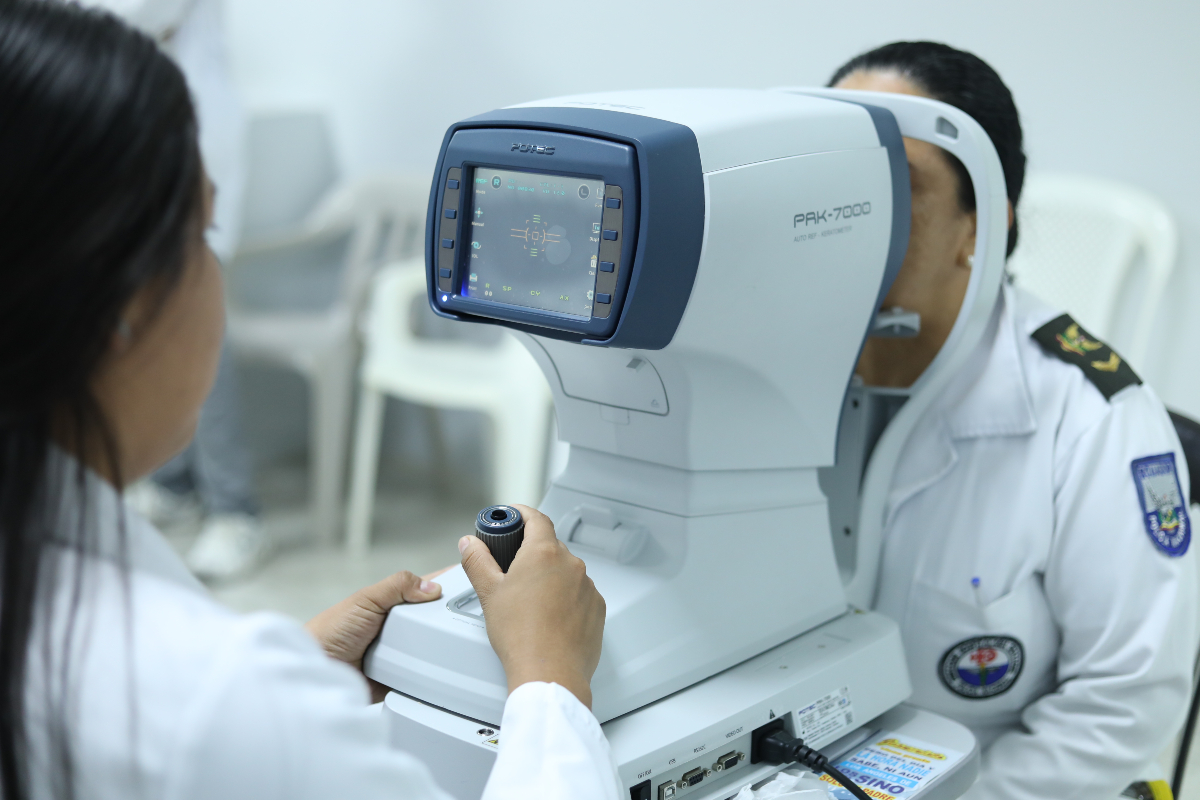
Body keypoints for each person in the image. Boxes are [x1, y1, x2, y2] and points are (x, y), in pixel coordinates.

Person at [0, 3, 619, 799]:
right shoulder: (209, 701)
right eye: (205, 233)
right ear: (121, 307)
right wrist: (549, 678)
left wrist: (291, 672)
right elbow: (195, 715)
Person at [828, 42, 1198, 800]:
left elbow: (1123, 702)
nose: (849, 214)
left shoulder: (1095, 420)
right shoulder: (761, 377)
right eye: (835, 178)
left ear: (982, 227)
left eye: (896, 186)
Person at [85, 0, 269, 581]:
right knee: (150, 320)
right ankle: (175, 484)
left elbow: (132, 16)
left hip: (187, 134)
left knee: (190, 322)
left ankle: (235, 510)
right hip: (137, 134)